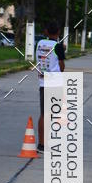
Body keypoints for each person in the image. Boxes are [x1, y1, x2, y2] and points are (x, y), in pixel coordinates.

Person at [36, 21, 66, 152]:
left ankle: (41, 144)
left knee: (44, 114)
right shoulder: (58, 46)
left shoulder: (39, 43)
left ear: (46, 32)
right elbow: (62, 66)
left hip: (43, 82)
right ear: (58, 32)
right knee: (53, 114)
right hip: (55, 83)